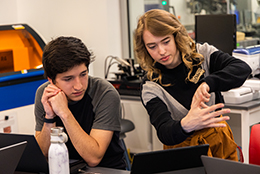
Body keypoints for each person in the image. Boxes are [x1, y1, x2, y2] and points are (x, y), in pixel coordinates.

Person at [134, 9, 251, 160]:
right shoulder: (150, 85)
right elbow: (164, 131)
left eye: (166, 41)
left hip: (219, 147)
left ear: (176, 36)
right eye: (152, 46)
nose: (161, 51)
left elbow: (242, 69)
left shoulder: (202, 54)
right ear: (144, 48)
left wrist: (207, 83)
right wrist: (186, 124)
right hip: (182, 154)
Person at [34, 36, 126, 169]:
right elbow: (42, 154)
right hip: (64, 168)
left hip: (105, 170)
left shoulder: (105, 93)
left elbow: (93, 158)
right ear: (51, 80)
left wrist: (64, 113)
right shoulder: (44, 94)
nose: (78, 86)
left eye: (83, 74)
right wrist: (50, 117)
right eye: (68, 79)